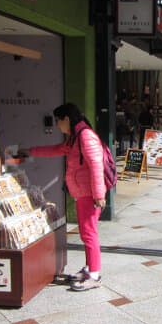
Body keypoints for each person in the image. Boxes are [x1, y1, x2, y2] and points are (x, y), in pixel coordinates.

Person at [19, 103, 106, 292]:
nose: (57, 125)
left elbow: (97, 165)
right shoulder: (76, 137)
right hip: (83, 192)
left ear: (66, 118)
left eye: (58, 120)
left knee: (89, 233)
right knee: (86, 232)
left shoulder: (85, 136)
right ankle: (90, 268)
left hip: (89, 194)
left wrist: (99, 195)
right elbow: (57, 150)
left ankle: (94, 274)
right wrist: (30, 151)